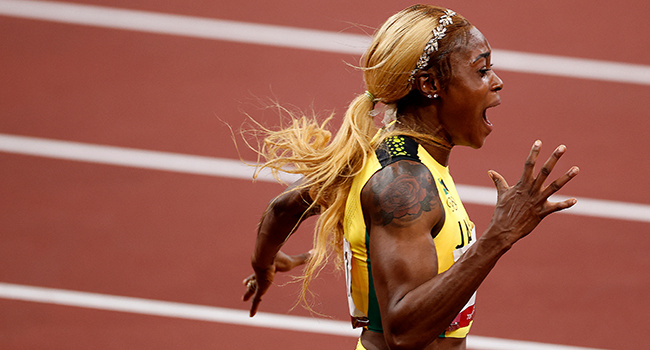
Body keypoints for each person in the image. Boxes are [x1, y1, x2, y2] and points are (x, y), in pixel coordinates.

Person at [241, 5, 579, 350]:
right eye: (482, 70)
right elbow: (403, 334)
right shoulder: (402, 184)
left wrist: (263, 262)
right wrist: (498, 236)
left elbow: (281, 208)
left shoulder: (374, 152)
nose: (496, 81)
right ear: (430, 84)